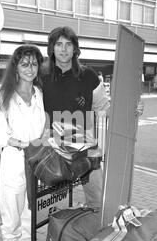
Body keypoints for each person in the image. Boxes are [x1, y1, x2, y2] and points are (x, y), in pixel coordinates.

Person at [0, 45, 46, 241]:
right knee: (12, 210)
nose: (30, 69)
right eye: (25, 64)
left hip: (34, 162)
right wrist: (16, 141)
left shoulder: (38, 95)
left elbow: (41, 127)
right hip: (14, 160)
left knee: (29, 210)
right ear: (16, 68)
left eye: (34, 63)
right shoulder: (6, 96)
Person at [41, 26, 110, 208]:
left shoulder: (89, 76)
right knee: (52, 205)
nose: (63, 50)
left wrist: (131, 111)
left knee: (98, 200)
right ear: (52, 48)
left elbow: (104, 108)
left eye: (68, 45)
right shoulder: (41, 76)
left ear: (75, 49)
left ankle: (95, 232)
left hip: (86, 148)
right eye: (59, 44)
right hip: (52, 148)